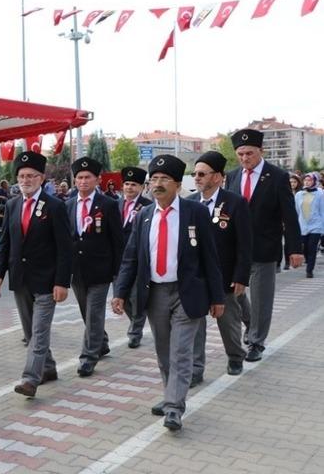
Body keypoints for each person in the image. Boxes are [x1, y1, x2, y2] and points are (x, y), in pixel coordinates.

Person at [112, 154, 225, 432]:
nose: (157, 184)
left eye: (164, 179)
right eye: (154, 180)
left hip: (187, 293)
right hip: (155, 293)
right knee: (164, 352)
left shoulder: (195, 212)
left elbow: (211, 257)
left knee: (181, 351)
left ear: (177, 184)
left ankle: (175, 407)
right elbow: (130, 259)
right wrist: (120, 292)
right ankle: (169, 395)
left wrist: (217, 297)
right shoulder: (144, 216)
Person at [0, 151, 72, 397]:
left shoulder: (55, 206)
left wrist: (61, 282)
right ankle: (47, 368)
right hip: (20, 278)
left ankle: (30, 378)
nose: (25, 180)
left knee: (38, 332)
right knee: (30, 331)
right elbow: (5, 243)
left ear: (41, 178)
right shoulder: (12, 204)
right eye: (21, 176)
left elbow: (64, 247)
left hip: (47, 281)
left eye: (31, 176)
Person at [225, 129, 302, 362]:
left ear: (261, 151)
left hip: (264, 248)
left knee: (261, 298)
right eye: (240, 154)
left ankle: (257, 342)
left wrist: (294, 249)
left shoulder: (277, 176)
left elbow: (289, 216)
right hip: (236, 248)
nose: (244, 158)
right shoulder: (233, 176)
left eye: (249, 153)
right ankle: (250, 324)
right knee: (233, 292)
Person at [189, 151, 252, 382]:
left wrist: (241, 276)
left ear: (217, 177)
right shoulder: (190, 203)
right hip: (196, 278)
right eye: (195, 173)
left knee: (228, 322)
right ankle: (196, 369)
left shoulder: (235, 203)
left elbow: (245, 244)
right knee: (196, 327)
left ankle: (235, 356)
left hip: (225, 276)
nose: (197, 178)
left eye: (202, 174)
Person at [66, 157, 123, 377]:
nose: (83, 181)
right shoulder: (68, 204)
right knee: (85, 312)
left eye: (87, 177)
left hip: (101, 269)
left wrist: (119, 272)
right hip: (77, 270)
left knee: (94, 314)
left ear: (97, 179)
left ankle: (88, 357)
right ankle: (102, 341)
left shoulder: (108, 204)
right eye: (79, 177)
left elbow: (117, 241)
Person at [118, 167, 152, 348]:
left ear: (141, 187)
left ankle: (135, 332)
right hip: (119, 262)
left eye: (133, 185)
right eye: (126, 184)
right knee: (121, 296)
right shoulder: (114, 204)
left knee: (136, 297)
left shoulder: (147, 206)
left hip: (139, 260)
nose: (129, 188)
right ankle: (136, 322)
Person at [295, 172, 324, 278]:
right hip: (303, 225)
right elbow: (297, 211)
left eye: (310, 180)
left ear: (314, 181)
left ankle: (309, 270)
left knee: (312, 248)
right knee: (305, 248)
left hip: (316, 225)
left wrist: (323, 227)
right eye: (305, 180)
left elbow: (322, 210)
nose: (307, 182)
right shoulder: (299, 194)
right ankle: (307, 261)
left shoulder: (320, 194)